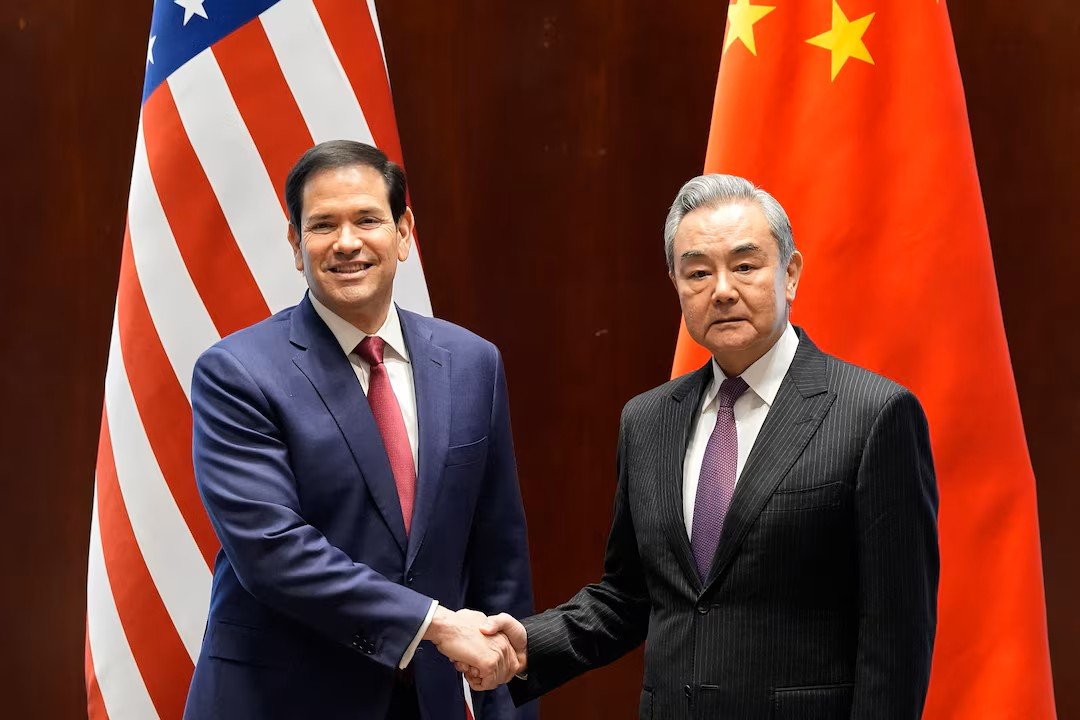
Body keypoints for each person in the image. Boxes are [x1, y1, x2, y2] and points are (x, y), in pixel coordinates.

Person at [479, 174, 939, 719]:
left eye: (745, 266)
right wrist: (529, 645)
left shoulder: (874, 414)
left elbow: (896, 637)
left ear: (790, 273)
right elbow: (630, 595)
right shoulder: (648, 421)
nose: (722, 290)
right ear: (676, 284)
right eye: (698, 272)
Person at [183, 140, 534, 720]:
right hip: (282, 704)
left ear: (404, 233)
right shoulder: (237, 372)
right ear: (296, 246)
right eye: (323, 225)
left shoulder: (473, 363)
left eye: (368, 220)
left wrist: (507, 706)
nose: (347, 242)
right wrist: (434, 625)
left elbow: (499, 562)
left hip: (427, 705)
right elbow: (273, 551)